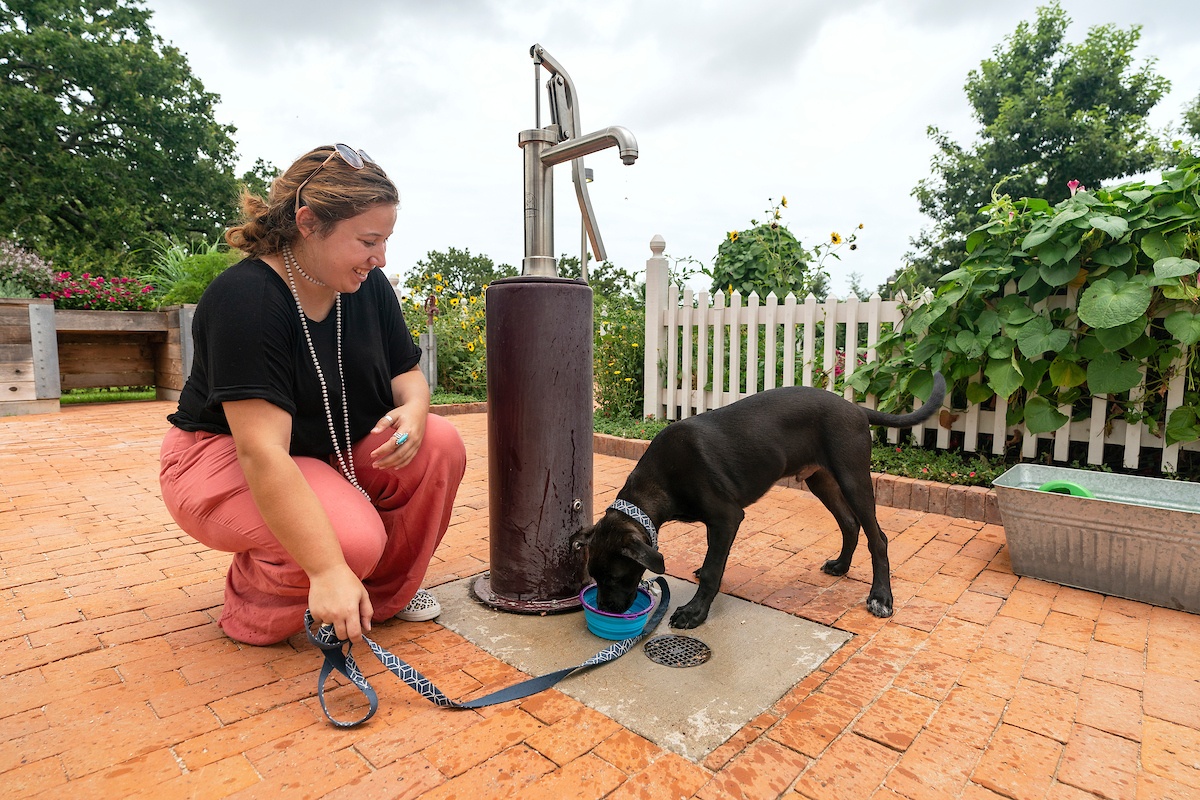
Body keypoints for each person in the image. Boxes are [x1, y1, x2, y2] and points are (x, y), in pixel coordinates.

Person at [159, 144, 466, 646]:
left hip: (324, 448)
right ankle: (258, 607)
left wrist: (414, 409)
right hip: (222, 457)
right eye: (368, 240)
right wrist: (325, 569)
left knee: (438, 443)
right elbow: (261, 452)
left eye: (386, 240)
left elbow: (406, 372)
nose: (380, 257)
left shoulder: (367, 285)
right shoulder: (247, 300)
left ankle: (378, 598)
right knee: (347, 544)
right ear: (307, 222)